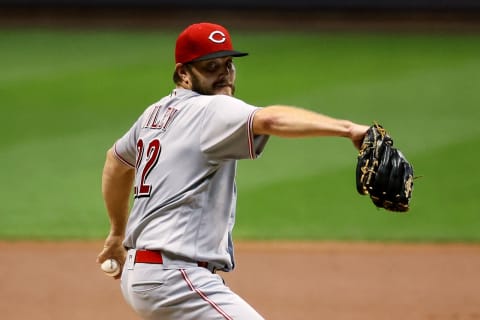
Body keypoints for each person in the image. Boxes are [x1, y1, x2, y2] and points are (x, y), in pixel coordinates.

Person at [97, 22, 369, 320]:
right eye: (211, 66)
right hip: (175, 280)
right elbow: (273, 120)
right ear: (183, 74)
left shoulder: (155, 113)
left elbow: (117, 161)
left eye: (228, 65)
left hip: (144, 274)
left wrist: (117, 233)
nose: (224, 73)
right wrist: (350, 130)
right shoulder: (212, 109)